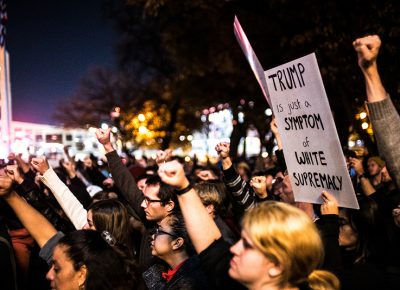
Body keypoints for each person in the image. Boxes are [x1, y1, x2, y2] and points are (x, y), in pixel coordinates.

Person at [157, 160, 339, 290]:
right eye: (242, 240)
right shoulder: (240, 280)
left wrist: (330, 223)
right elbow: (212, 248)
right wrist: (183, 187)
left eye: (248, 245)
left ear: (276, 265)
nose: (234, 248)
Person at [0, 174, 137, 290]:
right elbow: (45, 235)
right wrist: (10, 195)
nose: (49, 275)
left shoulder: (84, 256)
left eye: (57, 268)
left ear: (82, 275)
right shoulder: (77, 253)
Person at [142, 213, 208, 289]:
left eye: (159, 231)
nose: (153, 236)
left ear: (177, 243)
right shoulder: (161, 271)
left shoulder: (191, 281)